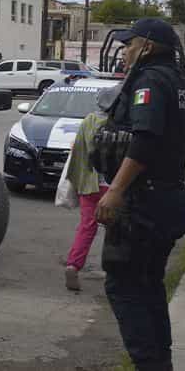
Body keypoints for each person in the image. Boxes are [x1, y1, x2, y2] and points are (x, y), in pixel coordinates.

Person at [92, 18, 185, 371]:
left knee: (124, 286)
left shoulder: (150, 80)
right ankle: (160, 362)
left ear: (147, 47)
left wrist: (116, 191)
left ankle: (150, 364)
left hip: (144, 201)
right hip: (169, 196)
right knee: (149, 285)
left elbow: (146, 138)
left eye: (129, 46)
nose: (124, 54)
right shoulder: (178, 79)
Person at [62, 84, 121, 291]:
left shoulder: (88, 121)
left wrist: (78, 182)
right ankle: (114, 272)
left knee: (87, 227)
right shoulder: (120, 122)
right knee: (116, 230)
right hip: (114, 187)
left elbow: (78, 153)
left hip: (90, 185)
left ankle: (73, 264)